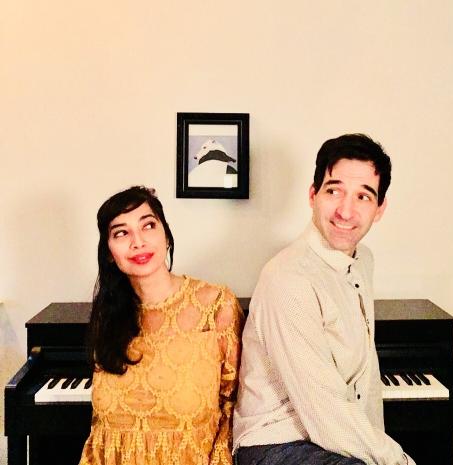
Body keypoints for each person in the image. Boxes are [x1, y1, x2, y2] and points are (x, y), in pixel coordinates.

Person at [233, 134, 415, 465]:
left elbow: (366, 381)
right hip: (276, 443)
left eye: (363, 196)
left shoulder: (363, 262)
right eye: (334, 191)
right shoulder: (287, 278)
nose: (346, 211)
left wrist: (382, 449)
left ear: (380, 209)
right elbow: (323, 406)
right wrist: (398, 460)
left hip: (329, 436)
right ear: (313, 195)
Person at [79, 186, 244, 465]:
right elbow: (100, 433)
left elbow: (232, 408)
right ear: (109, 252)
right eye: (121, 233)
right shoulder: (107, 316)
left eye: (148, 226)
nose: (138, 242)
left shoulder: (216, 305)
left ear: (166, 236)